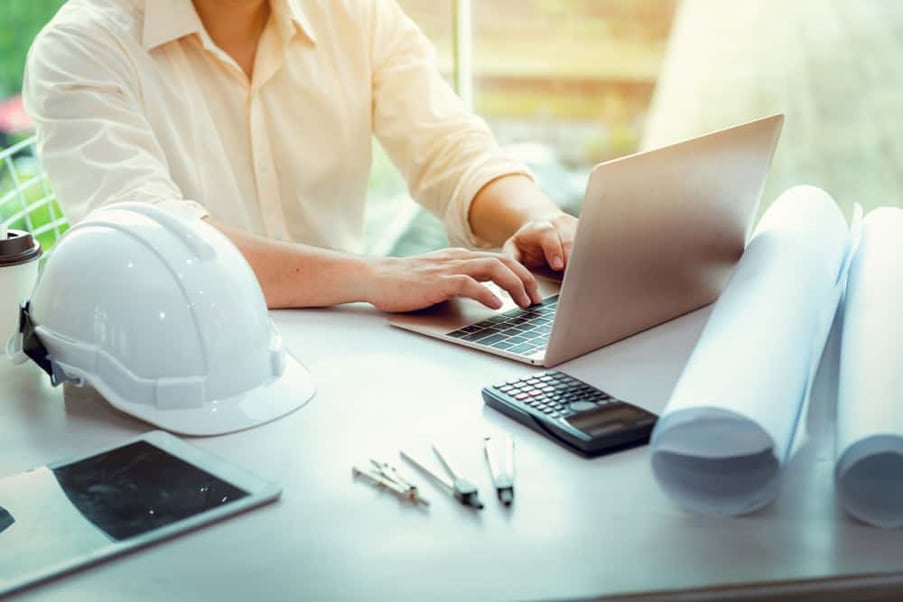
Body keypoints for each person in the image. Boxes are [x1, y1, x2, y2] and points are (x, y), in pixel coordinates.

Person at [23, 0, 577, 312]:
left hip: (348, 345)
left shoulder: (358, 16)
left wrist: (539, 219)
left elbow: (450, 151)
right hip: (179, 373)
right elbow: (164, 246)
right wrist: (374, 276)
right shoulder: (81, 48)